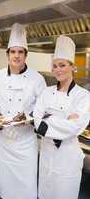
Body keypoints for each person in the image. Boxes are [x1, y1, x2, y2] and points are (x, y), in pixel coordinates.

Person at [0, 23, 46, 199]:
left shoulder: (37, 79)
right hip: (4, 142)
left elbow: (43, 109)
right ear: (7, 54)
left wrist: (31, 119)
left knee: (25, 187)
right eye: (13, 52)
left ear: (26, 55)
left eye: (20, 52)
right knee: (5, 188)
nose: (16, 56)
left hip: (26, 142)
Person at [33, 35, 90, 199]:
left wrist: (48, 118)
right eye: (55, 66)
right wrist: (63, 120)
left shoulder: (83, 95)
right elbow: (37, 121)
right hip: (46, 155)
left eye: (62, 65)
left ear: (73, 67)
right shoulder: (46, 92)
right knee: (44, 194)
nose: (58, 69)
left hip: (68, 159)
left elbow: (75, 127)